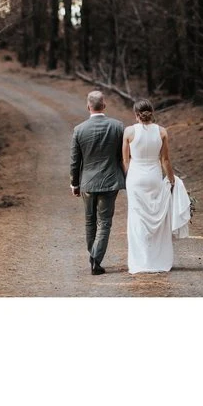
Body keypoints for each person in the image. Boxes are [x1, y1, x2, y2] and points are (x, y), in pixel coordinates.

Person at [68, 90, 126, 275]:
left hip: (87, 182)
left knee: (89, 221)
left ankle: (94, 256)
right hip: (110, 181)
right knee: (105, 222)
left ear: (88, 106)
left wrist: (75, 184)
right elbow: (123, 157)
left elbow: (75, 161)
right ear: (104, 105)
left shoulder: (79, 130)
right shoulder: (118, 127)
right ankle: (96, 258)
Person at [121, 101, 178, 275]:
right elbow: (165, 160)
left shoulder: (129, 132)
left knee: (137, 219)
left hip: (135, 177)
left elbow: (126, 160)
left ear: (136, 114)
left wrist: (129, 177)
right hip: (154, 177)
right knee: (156, 216)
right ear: (152, 113)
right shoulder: (162, 131)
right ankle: (157, 259)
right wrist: (172, 179)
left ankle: (140, 260)